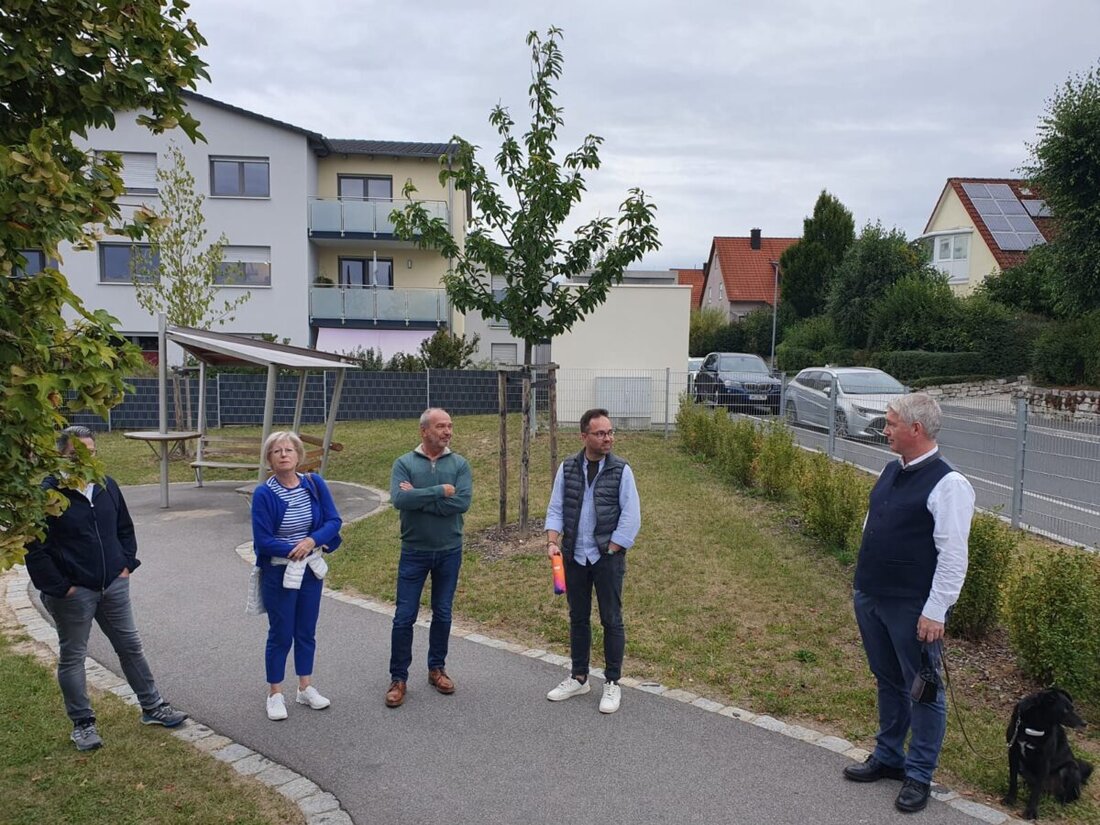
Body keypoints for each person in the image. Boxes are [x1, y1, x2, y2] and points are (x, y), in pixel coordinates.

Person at [843, 393, 975, 813]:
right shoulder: (890, 469)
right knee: (888, 679)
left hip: (912, 606)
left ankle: (918, 774)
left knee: (922, 690)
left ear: (915, 429)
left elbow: (953, 556)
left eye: (891, 423)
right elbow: (875, 524)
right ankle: (888, 757)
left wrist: (936, 610)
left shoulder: (949, 484)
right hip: (873, 595)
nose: (885, 430)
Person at [25, 426, 189, 751]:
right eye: (76, 453)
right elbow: (35, 548)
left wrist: (126, 564)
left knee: (130, 646)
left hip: (113, 585)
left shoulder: (106, 485)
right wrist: (62, 588)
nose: (85, 459)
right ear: (62, 455)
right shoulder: (48, 494)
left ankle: (153, 707)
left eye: (91, 452)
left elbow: (124, 528)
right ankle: (83, 724)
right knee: (73, 656)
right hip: (74, 593)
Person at [545, 408, 641, 715]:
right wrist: (552, 541)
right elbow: (556, 507)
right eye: (600, 433)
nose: (608, 438)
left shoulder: (621, 470)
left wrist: (613, 547)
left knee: (611, 619)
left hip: (607, 557)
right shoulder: (568, 467)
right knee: (578, 617)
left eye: (610, 432)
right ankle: (579, 677)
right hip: (575, 555)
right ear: (584, 436)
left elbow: (631, 514)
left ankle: (612, 682)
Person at [251, 431, 343, 721]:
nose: (283, 455)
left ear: (298, 455)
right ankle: (275, 693)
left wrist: (311, 542)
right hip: (279, 572)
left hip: (310, 571)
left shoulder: (314, 484)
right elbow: (262, 540)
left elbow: (333, 521)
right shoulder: (264, 493)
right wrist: (296, 547)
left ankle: (305, 687)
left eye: (289, 449)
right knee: (280, 634)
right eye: (276, 451)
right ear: (269, 458)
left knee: (306, 631)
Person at [385, 408, 472, 708]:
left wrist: (419, 497)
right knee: (404, 617)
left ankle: (437, 669)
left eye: (449, 426)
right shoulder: (404, 463)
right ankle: (398, 678)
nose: (447, 432)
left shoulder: (459, 464)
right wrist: (438, 491)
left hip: (450, 550)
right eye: (440, 427)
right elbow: (399, 500)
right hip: (414, 551)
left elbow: (461, 503)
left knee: (443, 613)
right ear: (423, 431)